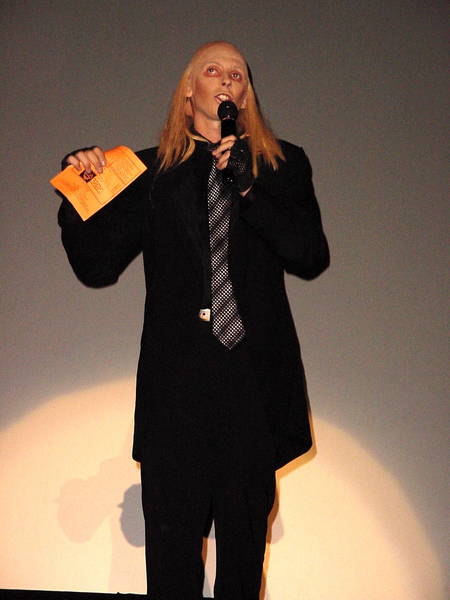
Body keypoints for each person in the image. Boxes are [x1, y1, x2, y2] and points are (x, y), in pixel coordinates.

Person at [58, 41, 330, 600]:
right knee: (172, 567)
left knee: (241, 569)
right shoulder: (149, 172)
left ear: (245, 98)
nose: (226, 79)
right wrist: (79, 193)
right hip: (177, 393)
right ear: (189, 92)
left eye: (238, 74)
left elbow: (309, 254)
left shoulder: (281, 164)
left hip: (252, 388)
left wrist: (247, 188)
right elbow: (96, 265)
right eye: (213, 70)